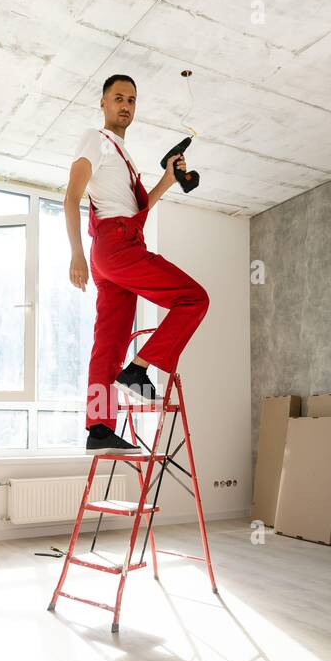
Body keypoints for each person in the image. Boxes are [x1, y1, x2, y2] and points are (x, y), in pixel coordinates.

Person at [64, 73, 210, 454]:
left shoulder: (122, 155)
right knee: (194, 299)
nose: (125, 105)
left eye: (131, 100)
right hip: (116, 247)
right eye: (117, 98)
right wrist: (76, 253)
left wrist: (167, 179)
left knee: (107, 345)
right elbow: (70, 197)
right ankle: (139, 368)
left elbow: (136, 210)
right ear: (103, 103)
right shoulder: (95, 140)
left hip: (116, 249)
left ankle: (98, 428)